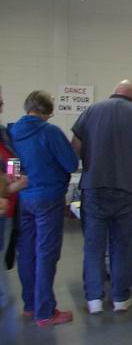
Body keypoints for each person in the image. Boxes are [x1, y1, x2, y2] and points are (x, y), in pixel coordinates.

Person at [71, 80, 132, 314]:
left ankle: (94, 300)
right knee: (122, 246)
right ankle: (121, 299)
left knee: (93, 247)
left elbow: (75, 147)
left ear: (115, 92)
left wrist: (90, 165)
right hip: (129, 192)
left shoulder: (91, 110)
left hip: (95, 189)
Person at [10, 90, 79, 326]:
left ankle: (30, 305)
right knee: (47, 253)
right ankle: (46, 311)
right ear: (46, 112)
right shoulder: (50, 132)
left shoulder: (12, 132)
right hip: (49, 198)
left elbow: (11, 171)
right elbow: (71, 164)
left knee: (27, 252)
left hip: (23, 198)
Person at [0, 91, 28, 309]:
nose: (2, 105)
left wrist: (14, 178)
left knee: (4, 253)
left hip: (9, 206)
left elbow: (11, 160)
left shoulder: (3, 133)